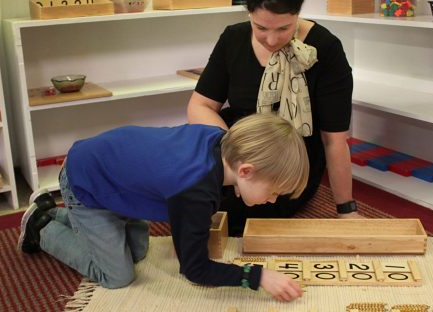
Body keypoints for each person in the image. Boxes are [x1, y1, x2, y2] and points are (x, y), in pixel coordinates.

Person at [17, 113, 308, 302]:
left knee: (139, 250)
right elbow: (195, 270)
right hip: (86, 184)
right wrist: (258, 277)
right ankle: (40, 226)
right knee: (118, 275)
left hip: (111, 174)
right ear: (244, 171)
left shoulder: (221, 141)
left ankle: (54, 211)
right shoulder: (195, 190)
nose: (271, 200)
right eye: (273, 192)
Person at [187, 0, 360, 235]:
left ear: (298, 12)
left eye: (283, 28)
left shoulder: (325, 49)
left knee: (245, 213)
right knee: (187, 188)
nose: (271, 40)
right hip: (236, 148)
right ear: (248, 13)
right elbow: (200, 105)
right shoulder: (233, 38)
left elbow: (334, 139)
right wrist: (234, 150)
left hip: (288, 162)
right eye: (260, 28)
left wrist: (346, 210)